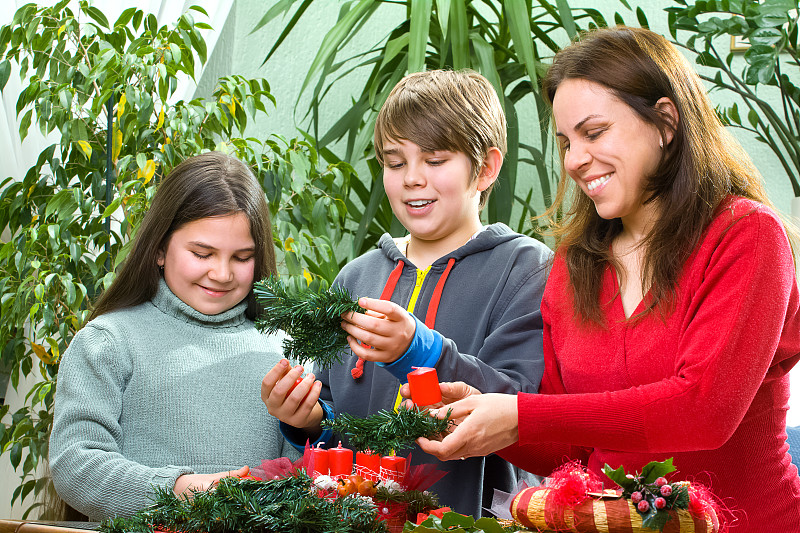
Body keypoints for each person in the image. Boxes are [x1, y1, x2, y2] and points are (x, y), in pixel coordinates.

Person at [416, 27, 800, 531]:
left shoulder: (746, 235)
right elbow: (568, 448)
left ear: (665, 121)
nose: (575, 160)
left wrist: (520, 414)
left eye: (593, 133)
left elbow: (702, 411)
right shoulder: (577, 261)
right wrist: (490, 422)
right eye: (566, 142)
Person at [261, 69, 552, 516]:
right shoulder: (357, 276)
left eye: (435, 160)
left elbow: (523, 410)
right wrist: (308, 419)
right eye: (395, 163)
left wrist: (418, 350)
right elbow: (336, 414)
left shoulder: (525, 268)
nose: (412, 178)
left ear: (487, 168)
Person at [49, 152, 299, 520]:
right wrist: (178, 492)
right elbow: (76, 463)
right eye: (203, 253)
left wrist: (307, 425)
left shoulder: (282, 350)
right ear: (160, 249)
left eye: (242, 257)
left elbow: (307, 477)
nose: (222, 273)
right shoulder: (108, 342)